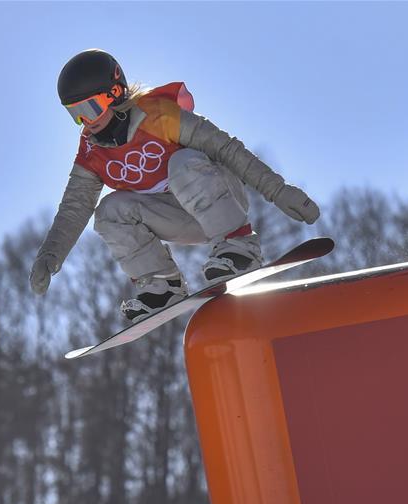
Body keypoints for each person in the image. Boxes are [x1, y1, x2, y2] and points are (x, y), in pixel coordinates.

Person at [29, 49, 320, 321]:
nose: (84, 121)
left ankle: (240, 246)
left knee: (181, 163)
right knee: (110, 210)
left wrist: (280, 192)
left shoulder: (160, 117)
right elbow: (74, 207)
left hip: (220, 198)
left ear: (114, 93)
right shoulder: (92, 152)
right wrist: (50, 255)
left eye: (89, 109)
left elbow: (228, 150)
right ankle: (161, 284)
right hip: (179, 218)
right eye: (74, 114)